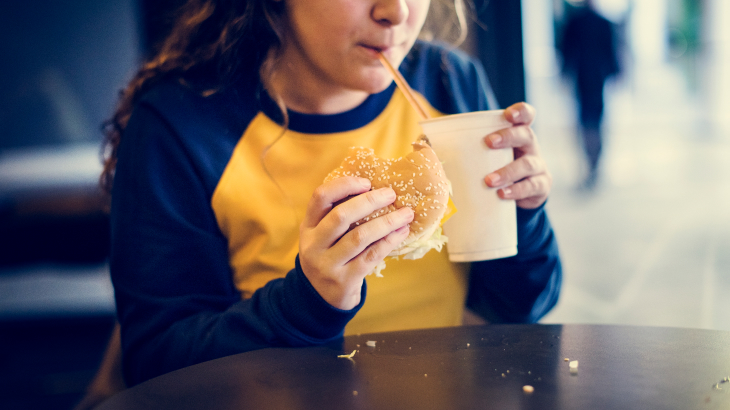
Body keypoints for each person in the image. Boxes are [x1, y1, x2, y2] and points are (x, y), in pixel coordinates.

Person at [102, 0, 562, 387]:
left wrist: (522, 213)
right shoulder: (178, 127)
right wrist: (307, 304)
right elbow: (157, 364)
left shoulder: (449, 80)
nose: (395, 11)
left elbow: (522, 306)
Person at [558, 0, 620, 189]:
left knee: (587, 121)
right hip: (594, 79)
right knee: (595, 121)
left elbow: (565, 51)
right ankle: (594, 161)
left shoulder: (575, 22)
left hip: (584, 78)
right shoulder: (602, 22)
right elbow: (612, 53)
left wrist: (566, 73)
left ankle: (592, 161)